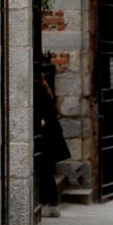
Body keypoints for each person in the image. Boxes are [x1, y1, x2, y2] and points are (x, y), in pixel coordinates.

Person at [34, 73, 72, 217]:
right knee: (47, 171)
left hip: (46, 136)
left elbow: (41, 113)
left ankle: (48, 203)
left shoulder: (38, 88)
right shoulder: (44, 88)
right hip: (51, 136)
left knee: (45, 172)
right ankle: (51, 204)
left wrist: (39, 121)